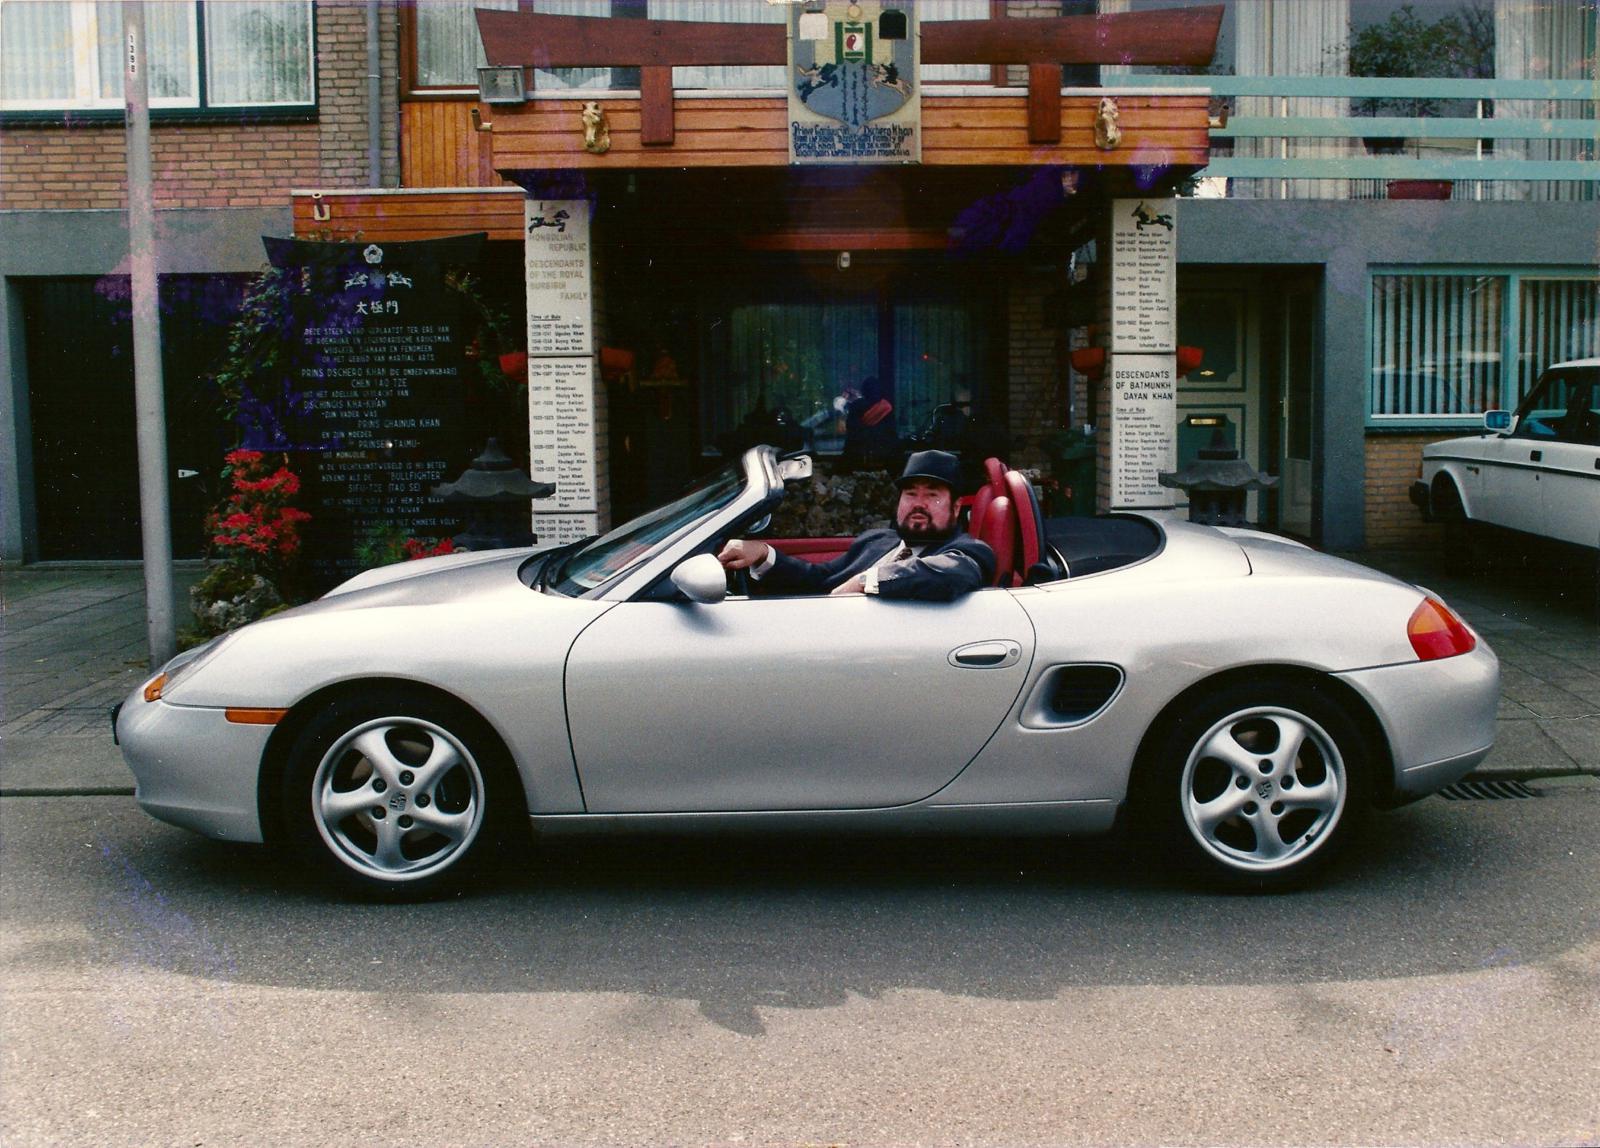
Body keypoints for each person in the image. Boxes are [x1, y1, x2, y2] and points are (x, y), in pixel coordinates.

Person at [716, 449, 996, 601]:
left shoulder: (969, 551)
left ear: (956, 507)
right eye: (911, 493)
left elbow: (950, 575)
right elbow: (820, 577)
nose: (918, 503)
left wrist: (866, 581)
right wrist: (765, 554)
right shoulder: (877, 541)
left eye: (932, 494)